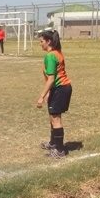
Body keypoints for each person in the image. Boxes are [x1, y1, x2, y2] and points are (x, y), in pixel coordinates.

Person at [36, 29, 73, 159]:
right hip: (60, 88)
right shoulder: (57, 53)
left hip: (60, 88)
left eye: (41, 41)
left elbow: (51, 78)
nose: (40, 44)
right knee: (53, 117)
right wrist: (48, 93)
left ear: (49, 41)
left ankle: (59, 149)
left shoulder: (51, 56)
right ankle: (53, 143)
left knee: (56, 119)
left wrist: (41, 96)